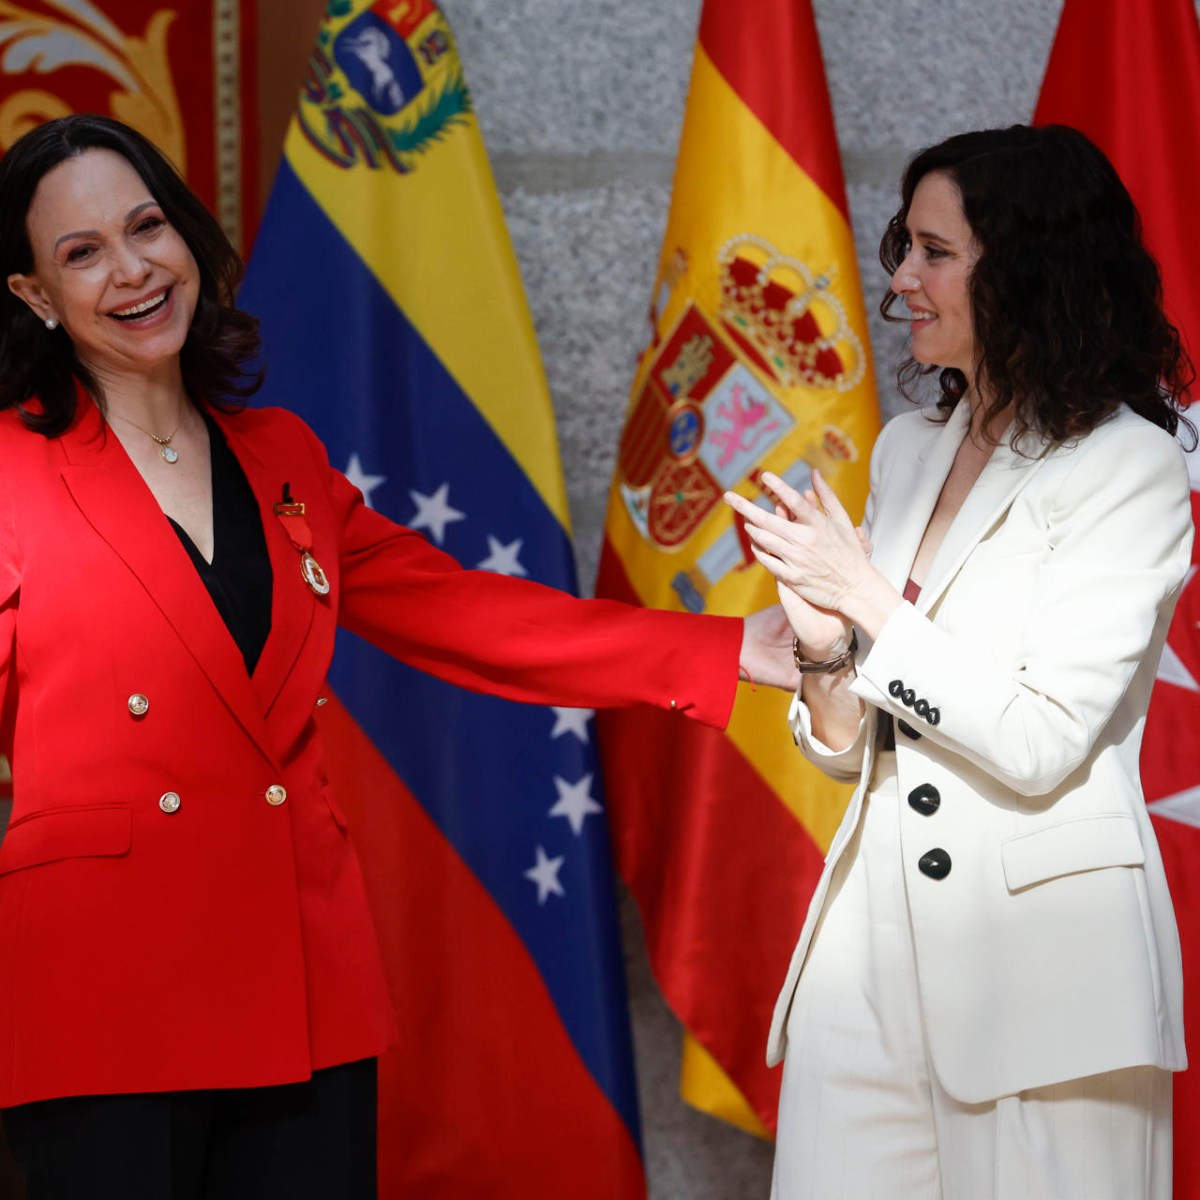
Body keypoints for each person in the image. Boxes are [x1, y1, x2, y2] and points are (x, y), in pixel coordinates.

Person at [0, 114, 794, 1199]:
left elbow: (465, 612)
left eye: (147, 227)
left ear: (186, 234)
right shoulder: (13, 472)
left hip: (301, 979)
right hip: (102, 989)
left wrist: (735, 645)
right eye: (83, 252)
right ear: (37, 294)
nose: (132, 269)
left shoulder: (280, 455)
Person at [727, 124, 1194, 1200]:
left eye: (935, 253)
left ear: (1029, 271)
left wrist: (864, 601)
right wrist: (824, 648)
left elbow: (1038, 741)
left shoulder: (1128, 465)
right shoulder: (906, 450)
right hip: (862, 969)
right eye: (908, 247)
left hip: (1047, 970)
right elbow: (851, 751)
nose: (902, 278)